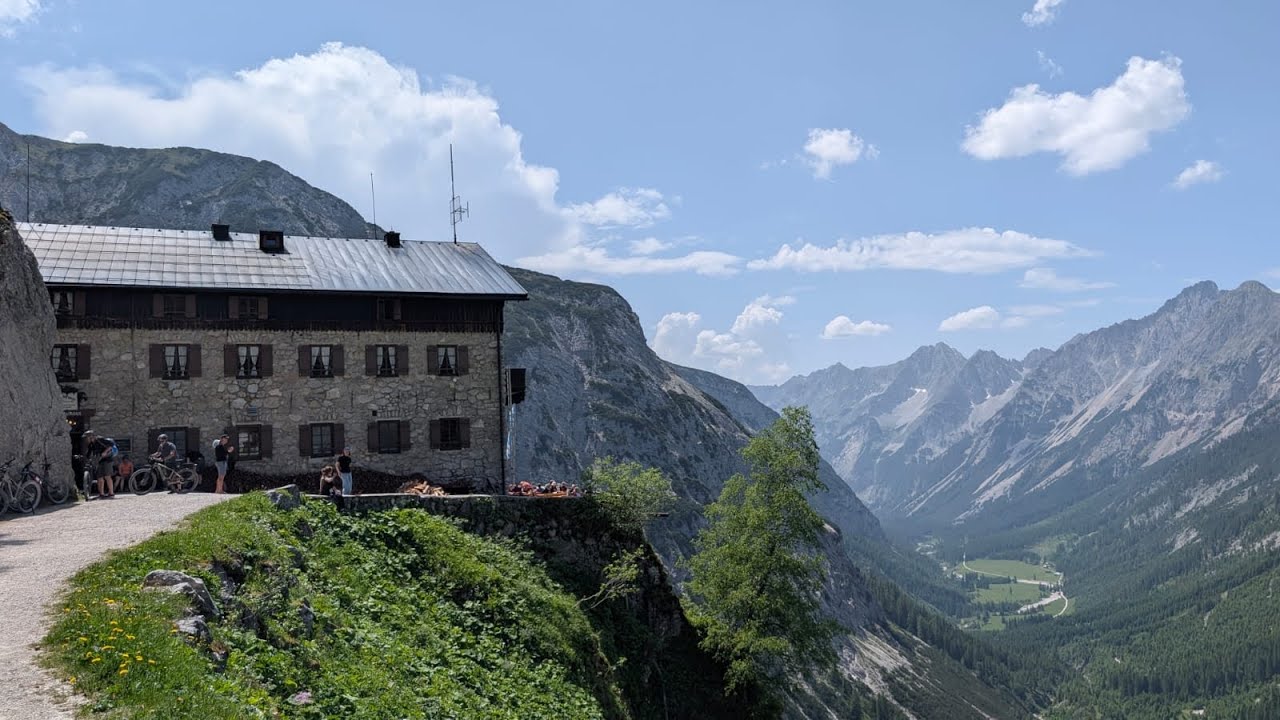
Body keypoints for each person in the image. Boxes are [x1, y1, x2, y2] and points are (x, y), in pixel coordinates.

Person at [84, 431, 117, 498]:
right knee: (99, 477)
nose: (86, 439)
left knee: (107, 476)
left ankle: (111, 493)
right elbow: (88, 454)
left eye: (86, 437)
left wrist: (105, 452)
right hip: (100, 461)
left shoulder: (100, 439)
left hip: (108, 459)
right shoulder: (91, 444)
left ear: (91, 437)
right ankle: (101, 494)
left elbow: (111, 445)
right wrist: (85, 458)